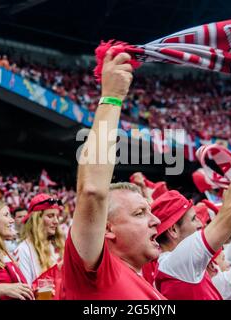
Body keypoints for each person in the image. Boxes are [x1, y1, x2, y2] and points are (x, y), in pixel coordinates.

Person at [62, 49, 165, 300]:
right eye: (140, 213)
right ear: (106, 228)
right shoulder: (96, 270)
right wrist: (112, 97)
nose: (156, 221)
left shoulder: (144, 279)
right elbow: (93, 191)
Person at [151, 181, 231, 300]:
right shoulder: (174, 264)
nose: (201, 225)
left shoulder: (199, 275)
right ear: (173, 230)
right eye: (194, 219)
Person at [15, 194, 64, 285]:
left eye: (57, 216)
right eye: (50, 216)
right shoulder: (23, 250)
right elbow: (26, 292)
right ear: (37, 220)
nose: (56, 221)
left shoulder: (55, 245)